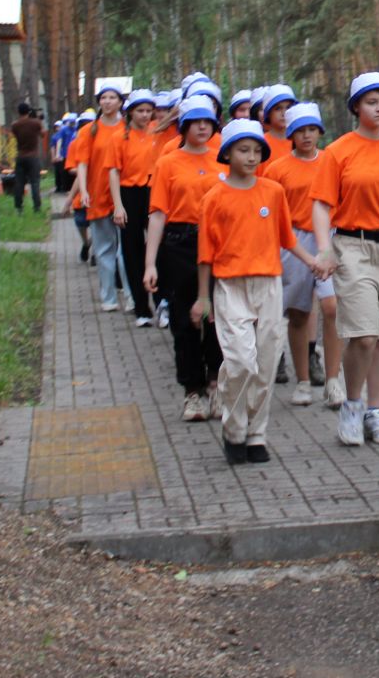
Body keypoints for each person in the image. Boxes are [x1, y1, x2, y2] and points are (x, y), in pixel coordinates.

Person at [195, 120, 328, 463]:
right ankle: (233, 427)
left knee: (266, 361)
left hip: (269, 283)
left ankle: (255, 434)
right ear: (227, 153)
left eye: (256, 151)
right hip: (230, 286)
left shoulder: (273, 192)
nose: (252, 157)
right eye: (243, 150)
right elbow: (205, 254)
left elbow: (287, 236)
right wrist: (203, 296)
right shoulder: (214, 197)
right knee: (240, 360)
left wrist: (311, 260)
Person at [313, 71, 379, 448]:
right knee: (364, 335)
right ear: (356, 106)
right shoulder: (338, 151)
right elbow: (322, 205)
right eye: (371, 101)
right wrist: (325, 248)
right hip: (352, 246)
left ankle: (377, 411)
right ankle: (352, 406)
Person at [144, 95, 226, 416]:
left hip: (219, 245)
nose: (203, 127)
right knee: (184, 320)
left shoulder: (223, 158)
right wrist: (150, 263)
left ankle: (215, 383)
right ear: (183, 127)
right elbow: (157, 214)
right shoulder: (168, 162)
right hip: (179, 245)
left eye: (208, 122)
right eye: (196, 122)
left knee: (218, 318)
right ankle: (191, 391)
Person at [263, 102, 339, 406]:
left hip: (329, 238)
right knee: (298, 313)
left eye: (312, 130)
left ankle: (334, 380)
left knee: (333, 308)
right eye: (300, 131)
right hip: (293, 243)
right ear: (291, 134)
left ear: (319, 131)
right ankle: (304, 380)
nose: (307, 136)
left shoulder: (331, 161)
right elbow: (271, 212)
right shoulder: (277, 169)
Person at [76, 86, 128, 308]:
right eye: (103, 98)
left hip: (123, 197)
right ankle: (108, 297)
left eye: (112, 97)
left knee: (126, 251)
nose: (107, 102)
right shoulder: (89, 130)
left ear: (120, 102)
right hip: (98, 196)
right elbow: (82, 163)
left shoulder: (127, 128)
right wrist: (84, 191)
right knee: (104, 249)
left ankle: (131, 296)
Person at [115, 89, 161, 326]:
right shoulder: (121, 137)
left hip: (153, 190)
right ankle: (142, 308)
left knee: (159, 245)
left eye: (148, 111)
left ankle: (162, 301)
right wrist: (118, 205)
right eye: (140, 111)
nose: (145, 115)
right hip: (129, 193)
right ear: (130, 112)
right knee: (132, 251)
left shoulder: (157, 132)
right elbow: (114, 171)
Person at [69, 107, 96, 260]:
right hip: (82, 189)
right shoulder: (75, 144)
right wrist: (82, 169)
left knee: (97, 225)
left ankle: (95, 251)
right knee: (80, 222)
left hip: (98, 192)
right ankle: (86, 243)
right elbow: (72, 167)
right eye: (84, 123)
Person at [10, 102, 44, 212]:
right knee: (35, 182)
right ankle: (37, 206)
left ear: (18, 112)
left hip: (20, 156)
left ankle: (18, 207)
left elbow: (15, 134)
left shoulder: (15, 125)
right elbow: (42, 134)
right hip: (33, 156)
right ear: (29, 111)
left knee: (19, 182)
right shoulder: (35, 123)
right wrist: (37, 119)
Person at [257, 84, 297, 162]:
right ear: (268, 113)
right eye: (278, 108)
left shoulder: (301, 141)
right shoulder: (260, 144)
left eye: (288, 107)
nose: (284, 113)